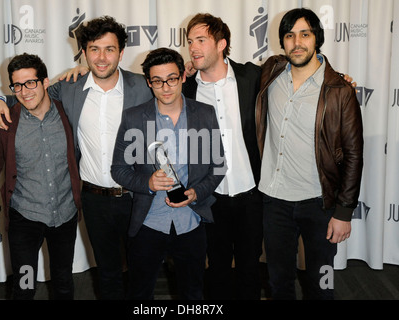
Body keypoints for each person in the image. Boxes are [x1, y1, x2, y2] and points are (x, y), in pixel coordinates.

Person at [0, 16, 153, 300]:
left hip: (138, 196)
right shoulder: (70, 88)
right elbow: (29, 92)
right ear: (84, 52)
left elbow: (174, 94)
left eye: (109, 49)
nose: (101, 57)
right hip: (94, 200)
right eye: (94, 49)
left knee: (143, 273)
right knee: (108, 275)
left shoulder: (143, 87)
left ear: (121, 53)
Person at [255, 8, 363, 299]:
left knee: (322, 285)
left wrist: (344, 212)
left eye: (305, 34)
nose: (297, 42)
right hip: (274, 200)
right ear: (282, 41)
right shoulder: (271, 72)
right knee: (279, 283)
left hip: (319, 203)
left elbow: (354, 155)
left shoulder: (340, 90)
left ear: (317, 38)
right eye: (289, 35)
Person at [111, 47, 226, 299]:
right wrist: (148, 182)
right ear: (149, 82)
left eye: (172, 78)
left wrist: (196, 193)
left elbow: (219, 167)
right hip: (148, 222)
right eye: (157, 81)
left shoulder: (204, 114)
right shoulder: (133, 118)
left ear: (183, 77)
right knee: (140, 293)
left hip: (191, 221)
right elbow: (118, 169)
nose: (166, 87)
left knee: (192, 293)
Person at [0, 53, 82, 299]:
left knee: (63, 283)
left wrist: (85, 66)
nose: (24, 91)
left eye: (30, 83)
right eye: (17, 85)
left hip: (65, 215)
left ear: (45, 82)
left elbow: (98, 73)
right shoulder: (4, 121)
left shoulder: (67, 110)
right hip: (25, 219)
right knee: (24, 286)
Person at [182, 13, 264, 300]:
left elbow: (295, 72)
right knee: (215, 272)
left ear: (221, 44)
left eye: (201, 40)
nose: (193, 47)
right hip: (209, 198)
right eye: (190, 41)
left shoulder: (251, 77)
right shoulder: (185, 89)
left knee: (250, 271)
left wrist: (335, 74)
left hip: (251, 196)